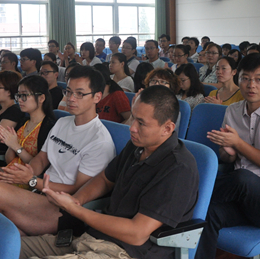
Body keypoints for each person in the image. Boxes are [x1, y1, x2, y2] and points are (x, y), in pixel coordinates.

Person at [19, 85, 199, 259]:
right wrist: (77, 199)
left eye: (141, 123)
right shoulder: (137, 146)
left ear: (167, 128)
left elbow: (137, 234)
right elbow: (106, 179)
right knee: (6, 247)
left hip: (125, 252)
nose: (132, 127)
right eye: (134, 118)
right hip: (92, 238)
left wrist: (75, 209)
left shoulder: (179, 169)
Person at [0, 66, 116, 237]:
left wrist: (31, 181)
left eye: (80, 94)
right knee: (5, 230)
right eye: (68, 92)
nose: (71, 99)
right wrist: (29, 171)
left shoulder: (99, 141)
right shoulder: (62, 123)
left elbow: (77, 189)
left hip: (63, 208)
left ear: (97, 96)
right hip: (40, 195)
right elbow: (42, 159)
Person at [196, 53, 260, 258]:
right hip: (241, 198)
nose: (251, 85)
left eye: (259, 80)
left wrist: (238, 144)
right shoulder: (233, 111)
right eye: (245, 78)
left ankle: (187, 197)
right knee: (205, 215)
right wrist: (227, 151)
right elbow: (228, 159)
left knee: (241, 178)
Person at [0, 75, 57, 187]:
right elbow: (9, 159)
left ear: (41, 98)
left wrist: (16, 147)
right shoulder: (23, 122)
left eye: (24, 95)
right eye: (18, 95)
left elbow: (39, 167)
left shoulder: (49, 127)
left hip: (28, 181)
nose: (19, 100)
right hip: (9, 174)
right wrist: (10, 144)